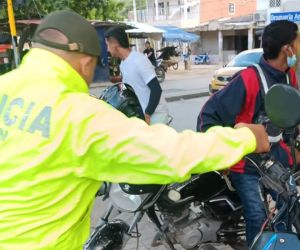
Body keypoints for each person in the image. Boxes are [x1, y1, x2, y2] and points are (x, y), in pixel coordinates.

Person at [0, 10, 270, 250]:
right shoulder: (78, 116)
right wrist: (246, 137)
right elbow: (173, 154)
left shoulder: (5, 86)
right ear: (85, 63)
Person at [197, 20, 300, 247]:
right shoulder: (249, 79)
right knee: (257, 216)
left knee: (288, 208)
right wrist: (219, 155)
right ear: (287, 48)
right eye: (297, 40)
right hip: (247, 166)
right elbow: (208, 115)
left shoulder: (290, 76)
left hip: (277, 162)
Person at [104, 27, 168, 125]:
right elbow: (133, 84)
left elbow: (156, 89)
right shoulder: (123, 63)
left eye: (108, 45)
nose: (107, 49)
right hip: (142, 115)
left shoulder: (139, 60)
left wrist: (147, 114)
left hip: (155, 115)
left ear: (114, 43)